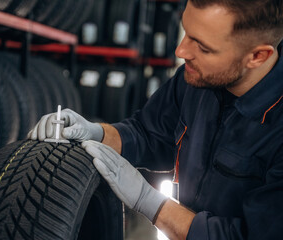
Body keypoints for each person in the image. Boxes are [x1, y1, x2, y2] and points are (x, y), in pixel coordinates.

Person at [28, 0, 283, 239]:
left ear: (257, 56)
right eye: (186, 31)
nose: (181, 50)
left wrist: (150, 202)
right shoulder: (196, 80)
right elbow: (148, 133)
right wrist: (97, 133)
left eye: (202, 47)